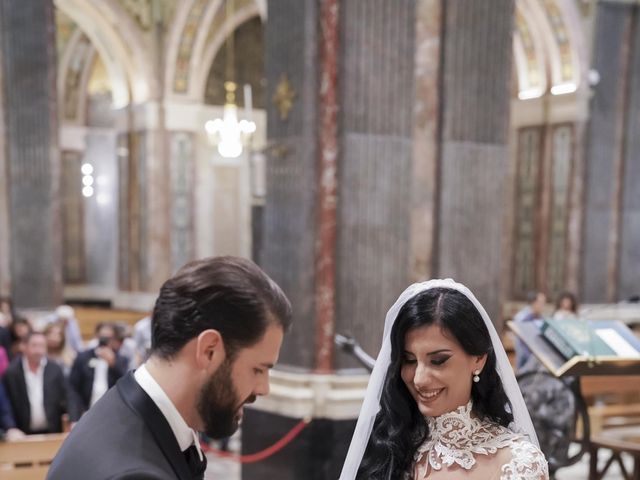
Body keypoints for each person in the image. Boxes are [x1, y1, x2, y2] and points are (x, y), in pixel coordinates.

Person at [48, 256, 292, 480]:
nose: (263, 388)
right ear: (209, 350)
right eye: (258, 370)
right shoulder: (136, 475)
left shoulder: (128, 409)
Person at [340, 279, 548, 480]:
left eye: (438, 361)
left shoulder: (518, 463)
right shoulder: (387, 443)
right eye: (409, 360)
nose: (419, 379)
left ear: (478, 359)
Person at [2, 331, 68, 434]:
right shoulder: (11, 372)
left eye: (42, 346)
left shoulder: (55, 369)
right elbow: (5, 404)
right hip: (22, 434)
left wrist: (72, 419)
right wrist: (10, 427)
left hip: (52, 431)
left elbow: (67, 395)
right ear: (23, 346)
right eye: (34, 346)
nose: (38, 350)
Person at [68, 322, 128, 421]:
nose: (105, 340)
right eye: (102, 337)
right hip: (86, 412)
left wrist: (113, 364)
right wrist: (78, 412)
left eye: (109, 337)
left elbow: (125, 385)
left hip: (112, 414)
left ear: (114, 339)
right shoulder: (83, 357)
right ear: (97, 336)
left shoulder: (121, 360)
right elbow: (73, 387)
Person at [514, 291, 547, 372]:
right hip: (526, 358)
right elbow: (521, 342)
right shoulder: (522, 317)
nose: (543, 305)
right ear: (534, 302)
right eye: (541, 302)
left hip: (539, 359)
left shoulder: (542, 318)